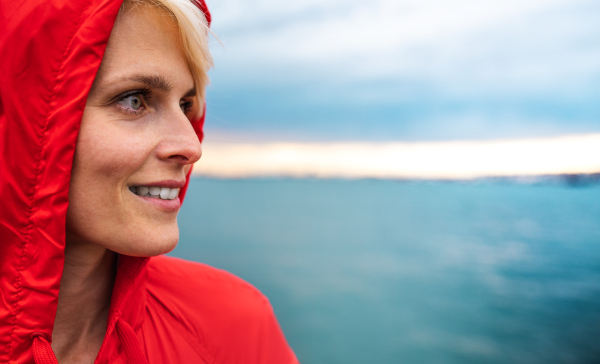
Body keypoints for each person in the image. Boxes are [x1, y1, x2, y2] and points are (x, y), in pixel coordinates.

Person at [0, 0, 299, 363]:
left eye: (186, 104)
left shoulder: (232, 325)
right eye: (134, 100)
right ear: (18, 119)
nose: (191, 146)